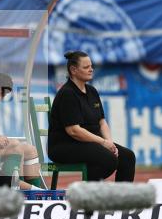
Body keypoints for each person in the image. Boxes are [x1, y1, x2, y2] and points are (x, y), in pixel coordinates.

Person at [48, 51, 135, 182]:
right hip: (65, 146)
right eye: (86, 67)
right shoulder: (67, 93)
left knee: (127, 157)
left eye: (91, 66)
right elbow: (74, 131)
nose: (91, 69)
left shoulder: (92, 91)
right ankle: (88, 195)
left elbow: (102, 122)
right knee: (108, 159)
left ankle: (122, 198)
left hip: (90, 143)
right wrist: (103, 142)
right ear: (73, 70)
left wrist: (109, 142)